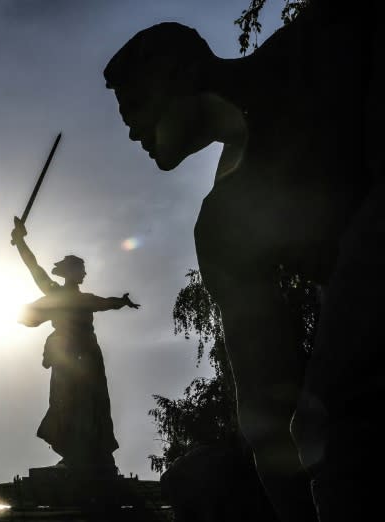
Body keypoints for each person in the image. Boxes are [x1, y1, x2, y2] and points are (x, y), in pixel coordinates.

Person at [103, 2, 383, 521]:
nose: (131, 131)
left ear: (183, 73)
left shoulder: (325, 44)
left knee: (341, 405)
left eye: (138, 105)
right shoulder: (224, 225)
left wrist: (335, 385)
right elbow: (265, 404)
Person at [11, 216, 140, 475]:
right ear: (71, 272)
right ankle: (74, 454)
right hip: (68, 355)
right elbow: (33, 266)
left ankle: (96, 454)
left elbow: (106, 302)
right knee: (67, 401)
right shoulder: (56, 293)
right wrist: (21, 242)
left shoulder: (84, 298)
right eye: (81, 268)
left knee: (93, 402)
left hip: (88, 356)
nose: (85, 273)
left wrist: (121, 302)